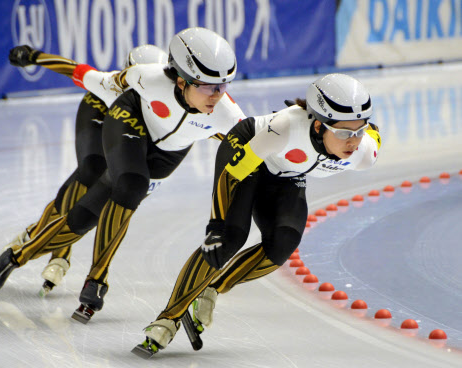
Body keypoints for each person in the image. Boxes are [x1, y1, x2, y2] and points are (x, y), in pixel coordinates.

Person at [0, 28, 246, 324]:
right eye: (209, 87)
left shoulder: (226, 114)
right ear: (181, 80)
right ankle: (97, 281)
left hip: (166, 154)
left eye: (224, 86)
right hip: (129, 121)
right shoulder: (145, 77)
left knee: (84, 217)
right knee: (126, 183)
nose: (219, 95)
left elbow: (258, 145)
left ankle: (9, 260)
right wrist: (36, 57)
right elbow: (85, 74)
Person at [133, 73, 382, 357]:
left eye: (357, 132)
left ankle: (212, 289)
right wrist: (216, 225)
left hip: (287, 172)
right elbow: (234, 174)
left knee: (283, 241)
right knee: (228, 239)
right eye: (342, 133)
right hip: (247, 153)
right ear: (316, 125)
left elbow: (372, 134)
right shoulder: (285, 129)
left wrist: (361, 132)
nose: (352, 142)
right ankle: (167, 319)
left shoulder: (364, 153)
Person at [1, 44, 169, 298]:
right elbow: (74, 69)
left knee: (121, 189)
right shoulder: (109, 84)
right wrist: (34, 57)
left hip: (133, 126)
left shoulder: (166, 99)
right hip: (99, 110)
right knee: (91, 168)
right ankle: (60, 254)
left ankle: (35, 233)